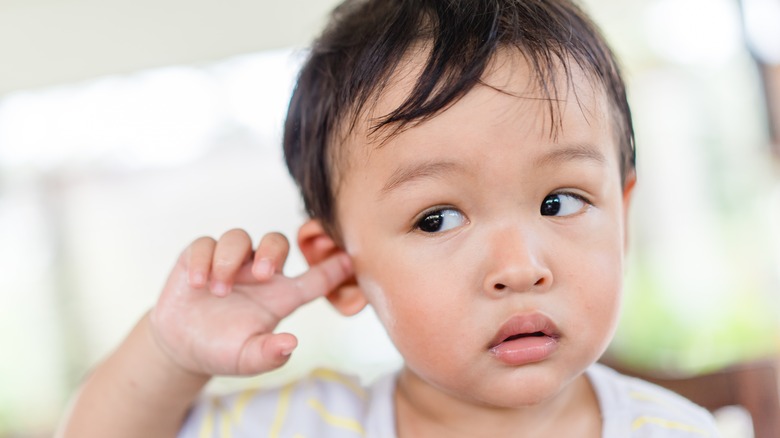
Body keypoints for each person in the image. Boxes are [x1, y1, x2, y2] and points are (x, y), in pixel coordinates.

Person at [57, 0, 721, 436]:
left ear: (623, 219)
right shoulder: (306, 424)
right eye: (436, 218)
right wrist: (170, 353)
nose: (520, 267)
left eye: (560, 201)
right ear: (340, 268)